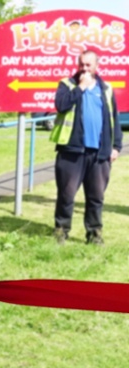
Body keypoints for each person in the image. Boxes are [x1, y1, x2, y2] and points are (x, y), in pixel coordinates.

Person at [50, 50, 123, 245]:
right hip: (72, 151)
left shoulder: (105, 88)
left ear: (96, 66)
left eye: (89, 65)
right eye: (82, 64)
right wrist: (80, 88)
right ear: (77, 64)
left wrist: (116, 146)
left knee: (96, 196)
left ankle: (94, 233)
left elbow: (114, 118)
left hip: (99, 153)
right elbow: (61, 105)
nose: (85, 68)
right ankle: (61, 231)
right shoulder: (67, 85)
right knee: (66, 194)